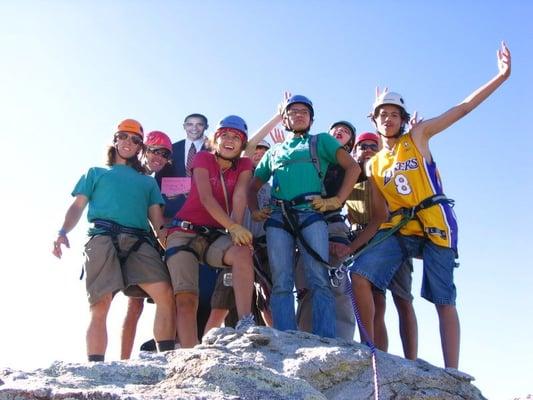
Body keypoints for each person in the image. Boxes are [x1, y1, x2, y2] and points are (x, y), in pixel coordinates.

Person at [339, 43, 511, 368]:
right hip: (399, 230)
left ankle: (452, 372)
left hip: (434, 224)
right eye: (381, 114)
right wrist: (352, 248)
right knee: (359, 275)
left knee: (442, 297)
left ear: (404, 119)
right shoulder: (374, 166)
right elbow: (377, 217)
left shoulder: (417, 137)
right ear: (374, 121)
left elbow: (461, 109)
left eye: (393, 114)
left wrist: (500, 77)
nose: (387, 118)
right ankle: (371, 354)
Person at [52, 119, 176, 362]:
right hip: (102, 238)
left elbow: (158, 223)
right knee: (100, 304)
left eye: (135, 139)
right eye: (123, 136)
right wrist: (62, 231)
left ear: (141, 147)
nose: (128, 142)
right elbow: (77, 206)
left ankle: (167, 361)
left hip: (139, 241)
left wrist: (174, 250)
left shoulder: (148, 182)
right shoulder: (95, 173)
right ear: (115, 139)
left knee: (164, 292)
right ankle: (96, 367)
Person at [248, 95, 360, 338]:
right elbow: (252, 185)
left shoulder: (322, 142)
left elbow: (354, 167)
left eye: (304, 112)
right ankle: (284, 337)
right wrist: (255, 210)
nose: (299, 114)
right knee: (281, 280)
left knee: (319, 277)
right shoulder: (274, 151)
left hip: (311, 212)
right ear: (285, 119)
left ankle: (325, 337)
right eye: (293, 111)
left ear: (311, 118)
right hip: (279, 215)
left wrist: (337, 200)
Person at [165, 115, 256, 348]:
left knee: (242, 252)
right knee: (187, 298)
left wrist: (236, 234)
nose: (230, 140)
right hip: (184, 232)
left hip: (215, 235)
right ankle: (188, 352)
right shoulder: (203, 158)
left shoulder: (245, 165)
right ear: (215, 138)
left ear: (243, 144)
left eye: (236, 137)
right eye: (224, 134)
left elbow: (239, 196)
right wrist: (232, 227)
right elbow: (205, 197)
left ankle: (246, 322)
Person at [345, 131, 418, 359]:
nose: (367, 149)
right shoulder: (349, 176)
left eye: (372, 146)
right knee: (375, 299)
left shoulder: (386, 170)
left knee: (402, 298)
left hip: (394, 235)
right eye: (362, 146)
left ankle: (411, 360)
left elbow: (395, 153)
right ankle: (373, 353)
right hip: (361, 239)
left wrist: (380, 132)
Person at [155, 113, 217, 340]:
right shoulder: (171, 150)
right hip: (174, 224)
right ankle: (172, 338)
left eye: (199, 124)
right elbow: (157, 184)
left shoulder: (214, 149)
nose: (194, 128)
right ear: (183, 127)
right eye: (190, 124)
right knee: (177, 286)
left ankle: (202, 337)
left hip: (207, 224)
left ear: (206, 127)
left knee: (207, 284)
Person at [203, 138, 274, 334]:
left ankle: (279, 342)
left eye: (264, 152)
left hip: (263, 246)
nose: (259, 154)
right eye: (256, 151)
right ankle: (206, 344)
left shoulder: (272, 187)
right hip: (235, 244)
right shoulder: (236, 179)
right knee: (221, 302)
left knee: (267, 300)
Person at [294, 120, 357, 341]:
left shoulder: (349, 165)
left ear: (350, 143)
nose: (340, 131)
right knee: (305, 286)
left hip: (332, 224)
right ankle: (305, 337)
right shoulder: (312, 156)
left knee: (336, 285)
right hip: (303, 224)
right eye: (336, 129)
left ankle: (342, 342)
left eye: (347, 131)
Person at [120, 130, 173, 360]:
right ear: (143, 149)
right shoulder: (130, 174)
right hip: (128, 239)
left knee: (141, 301)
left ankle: (154, 353)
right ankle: (123, 360)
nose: (158, 158)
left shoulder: (154, 180)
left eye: (164, 154)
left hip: (148, 241)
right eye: (154, 151)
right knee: (134, 303)